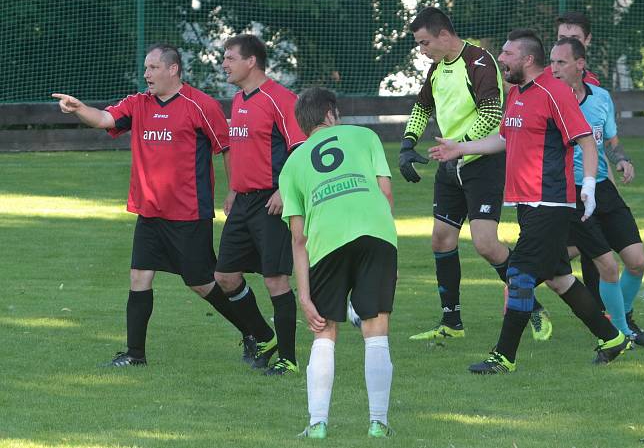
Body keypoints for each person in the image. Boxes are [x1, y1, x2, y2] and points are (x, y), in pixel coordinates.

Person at [430, 29, 631, 374]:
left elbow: (586, 141)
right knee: (559, 279)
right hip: (528, 203)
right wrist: (460, 148)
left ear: (526, 59)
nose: (501, 60)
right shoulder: (516, 94)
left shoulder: (554, 93)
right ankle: (612, 339)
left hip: (551, 202)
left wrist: (587, 186)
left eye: (507, 55)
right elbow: (504, 140)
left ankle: (503, 356)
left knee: (520, 276)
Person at [51, 44, 251, 367]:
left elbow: (226, 147)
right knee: (139, 277)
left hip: (188, 213)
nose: (147, 74)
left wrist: (233, 191)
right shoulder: (138, 104)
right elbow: (104, 118)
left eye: (153, 68)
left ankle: (252, 331)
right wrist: (78, 108)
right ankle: (135, 355)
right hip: (149, 212)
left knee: (201, 283)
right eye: (145, 68)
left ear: (173, 70)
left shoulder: (201, 105)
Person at [399, 6, 553, 343]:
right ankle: (451, 322)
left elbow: (492, 113)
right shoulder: (438, 70)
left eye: (425, 43)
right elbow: (423, 106)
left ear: (443, 35)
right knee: (441, 238)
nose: (423, 51)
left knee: (486, 245)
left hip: (482, 164)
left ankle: (534, 306)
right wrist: (408, 144)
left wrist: (460, 146)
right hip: (450, 164)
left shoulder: (480, 62)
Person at [280, 87, 397, 438]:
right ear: (331, 114)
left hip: (326, 241)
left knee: (324, 332)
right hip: (376, 234)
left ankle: (317, 424)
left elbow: (298, 239)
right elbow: (386, 193)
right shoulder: (365, 136)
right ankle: (378, 423)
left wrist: (304, 296)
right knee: (376, 330)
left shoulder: (292, 165)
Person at [214, 34, 307, 374]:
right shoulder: (238, 100)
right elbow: (243, 152)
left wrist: (285, 191)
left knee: (275, 281)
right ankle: (266, 336)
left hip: (272, 202)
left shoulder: (281, 99)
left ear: (251, 61)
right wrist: (234, 189)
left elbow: (301, 148)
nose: (225, 63)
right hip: (243, 202)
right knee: (224, 276)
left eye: (230, 58)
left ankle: (289, 359)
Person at [550, 38, 644, 346]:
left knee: (637, 261)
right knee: (604, 265)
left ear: (580, 64)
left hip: (603, 189)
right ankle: (622, 331)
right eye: (551, 63)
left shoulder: (602, 98)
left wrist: (623, 160)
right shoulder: (550, 102)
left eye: (561, 63)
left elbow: (611, 141)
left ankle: (618, 318)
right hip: (572, 193)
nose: (554, 69)